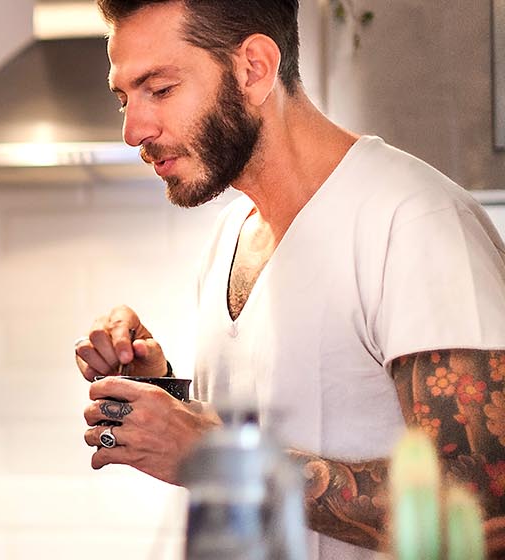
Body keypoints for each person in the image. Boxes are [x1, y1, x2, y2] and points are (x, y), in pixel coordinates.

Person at [70, 0, 505, 557]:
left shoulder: (414, 222)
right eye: (124, 98)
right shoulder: (229, 237)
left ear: (254, 67)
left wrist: (215, 452)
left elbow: (489, 506)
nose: (133, 130)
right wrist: (161, 393)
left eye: (160, 89)